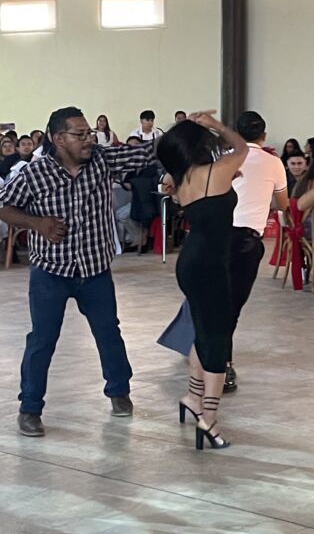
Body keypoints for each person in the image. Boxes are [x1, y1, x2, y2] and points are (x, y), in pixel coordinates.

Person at [0, 107, 157, 437]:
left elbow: (145, 152)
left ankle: (119, 391)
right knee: (42, 339)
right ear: (58, 138)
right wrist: (36, 223)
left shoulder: (102, 161)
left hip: (95, 270)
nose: (89, 139)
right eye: (80, 134)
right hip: (50, 273)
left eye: (89, 133)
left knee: (108, 332)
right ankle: (30, 408)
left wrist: (188, 130)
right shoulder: (34, 174)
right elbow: (4, 206)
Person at [156, 112, 247, 450]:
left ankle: (193, 398)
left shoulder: (180, 178)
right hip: (210, 265)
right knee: (217, 342)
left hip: (192, 262)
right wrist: (217, 124)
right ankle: (209, 418)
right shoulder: (216, 171)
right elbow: (242, 147)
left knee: (203, 331)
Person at [226, 110, 289, 391]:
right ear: (264, 135)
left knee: (213, 299)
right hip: (246, 241)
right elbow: (283, 204)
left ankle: (204, 350)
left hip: (216, 235)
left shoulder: (224, 158)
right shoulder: (273, 162)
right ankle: (222, 364)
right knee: (231, 306)